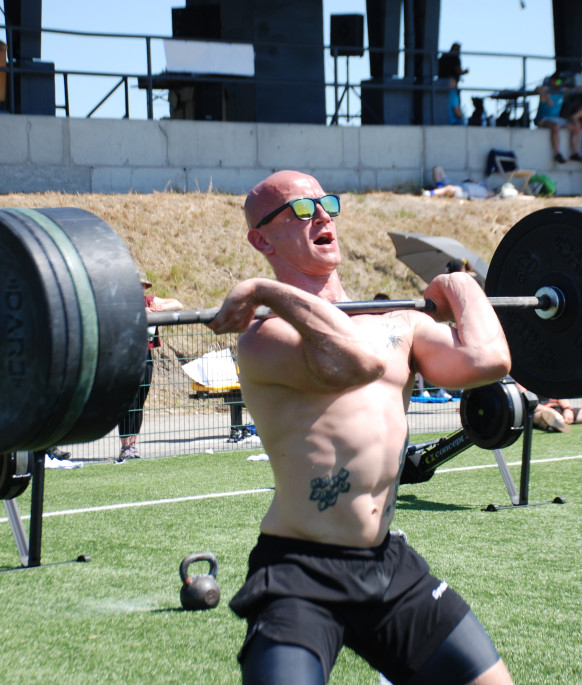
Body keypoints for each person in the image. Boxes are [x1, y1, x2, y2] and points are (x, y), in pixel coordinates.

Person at [207, 170, 514, 684]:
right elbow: (357, 365)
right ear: (261, 239)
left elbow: (487, 360)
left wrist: (459, 284)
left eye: (327, 204)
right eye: (300, 211)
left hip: (385, 563)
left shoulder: (397, 320)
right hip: (299, 572)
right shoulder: (265, 335)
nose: (322, 216)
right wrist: (267, 292)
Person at [116, 272, 183, 462]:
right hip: (128, 357)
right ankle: (125, 446)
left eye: (143, 286)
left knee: (140, 402)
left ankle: (133, 445)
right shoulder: (122, 302)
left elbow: (178, 303)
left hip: (146, 355)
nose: (141, 289)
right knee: (128, 402)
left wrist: (160, 306)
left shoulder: (148, 301)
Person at [534, 73, 582, 164]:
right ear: (552, 81)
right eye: (559, 81)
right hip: (542, 119)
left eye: (561, 81)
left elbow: (576, 90)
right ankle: (557, 154)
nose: (560, 83)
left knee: (576, 126)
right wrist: (547, 98)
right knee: (555, 126)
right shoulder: (546, 89)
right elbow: (537, 89)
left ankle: (574, 153)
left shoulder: (562, 91)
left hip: (556, 118)